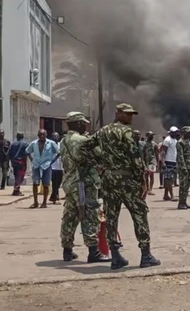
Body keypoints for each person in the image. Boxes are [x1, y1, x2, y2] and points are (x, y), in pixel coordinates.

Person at [84, 103, 160, 270]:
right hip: (127, 180)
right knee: (139, 214)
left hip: (109, 179)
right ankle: (146, 255)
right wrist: (142, 181)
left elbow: (86, 147)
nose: (130, 117)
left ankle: (115, 256)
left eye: (132, 114)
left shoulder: (102, 131)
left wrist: (99, 163)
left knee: (111, 217)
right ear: (118, 114)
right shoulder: (127, 133)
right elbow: (136, 158)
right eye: (127, 114)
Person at [59, 112, 110, 264]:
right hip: (83, 184)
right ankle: (93, 252)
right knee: (90, 215)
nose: (85, 126)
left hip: (69, 183)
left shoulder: (64, 141)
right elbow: (100, 156)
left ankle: (67, 250)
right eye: (83, 124)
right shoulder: (83, 140)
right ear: (79, 124)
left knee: (70, 215)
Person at [26, 129, 59, 209]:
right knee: (35, 183)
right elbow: (27, 151)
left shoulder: (51, 143)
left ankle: (44, 202)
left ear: (46, 135)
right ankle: (35, 202)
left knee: (46, 184)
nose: (42, 136)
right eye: (40, 135)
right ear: (38, 135)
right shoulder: (34, 143)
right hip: (36, 165)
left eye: (43, 134)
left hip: (46, 165)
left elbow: (58, 152)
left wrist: (52, 162)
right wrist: (32, 160)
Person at [177, 126, 190, 210]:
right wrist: (183, 167)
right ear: (184, 132)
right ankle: (181, 203)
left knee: (188, 184)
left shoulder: (188, 141)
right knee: (183, 185)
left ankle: (184, 202)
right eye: (188, 132)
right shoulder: (180, 142)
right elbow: (180, 156)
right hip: (183, 167)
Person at [159, 127, 179, 201]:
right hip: (168, 161)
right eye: (174, 132)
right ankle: (172, 195)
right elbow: (163, 152)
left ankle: (166, 195)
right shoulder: (167, 140)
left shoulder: (175, 140)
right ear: (170, 132)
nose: (176, 133)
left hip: (173, 161)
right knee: (168, 179)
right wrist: (163, 162)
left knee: (169, 179)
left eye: (176, 132)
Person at [50, 132, 64, 204]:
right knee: (54, 183)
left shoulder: (60, 145)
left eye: (57, 136)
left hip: (60, 166)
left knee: (59, 182)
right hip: (52, 167)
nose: (55, 137)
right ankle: (55, 197)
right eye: (54, 136)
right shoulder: (49, 145)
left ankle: (54, 195)